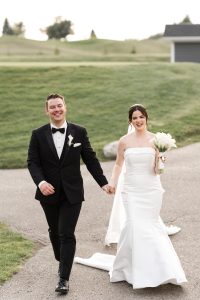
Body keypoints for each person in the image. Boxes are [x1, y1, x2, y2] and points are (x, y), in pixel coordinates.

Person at [75, 104, 187, 289]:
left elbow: (157, 171)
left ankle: (161, 269)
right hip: (131, 190)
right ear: (130, 121)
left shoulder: (156, 140)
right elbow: (119, 165)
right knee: (134, 225)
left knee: (151, 227)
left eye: (141, 117)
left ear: (146, 118)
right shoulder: (124, 141)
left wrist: (162, 158)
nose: (138, 120)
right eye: (134, 118)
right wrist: (112, 183)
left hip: (151, 189)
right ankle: (131, 269)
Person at [27, 93, 109, 295]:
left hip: (72, 193)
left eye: (59, 106)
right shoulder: (38, 134)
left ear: (66, 107)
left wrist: (103, 182)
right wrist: (41, 182)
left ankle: (63, 278)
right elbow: (33, 162)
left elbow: (90, 159)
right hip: (48, 193)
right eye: (52, 107)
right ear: (47, 110)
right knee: (54, 232)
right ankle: (62, 259)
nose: (57, 110)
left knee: (66, 232)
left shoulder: (79, 132)